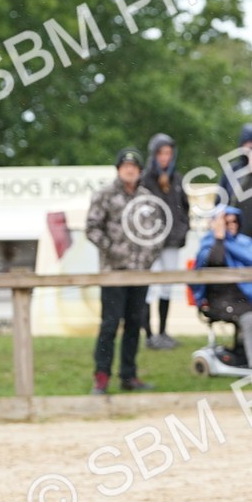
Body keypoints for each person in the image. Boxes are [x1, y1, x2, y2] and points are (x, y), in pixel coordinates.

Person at [86, 148, 165, 395]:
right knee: (110, 325)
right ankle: (101, 376)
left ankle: (128, 375)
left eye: (134, 166)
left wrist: (148, 258)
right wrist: (114, 251)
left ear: (140, 171)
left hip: (140, 273)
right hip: (113, 272)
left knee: (135, 323)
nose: (129, 170)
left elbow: (157, 232)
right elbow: (92, 228)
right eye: (125, 166)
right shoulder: (105, 195)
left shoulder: (146, 198)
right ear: (118, 169)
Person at [192, 206, 252, 383]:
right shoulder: (209, 243)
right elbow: (214, 261)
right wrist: (219, 237)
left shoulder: (244, 242)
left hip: (246, 295)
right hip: (220, 299)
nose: (232, 225)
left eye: (234, 221)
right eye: (226, 222)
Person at [140, 133, 190, 350]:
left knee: (167, 287)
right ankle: (149, 334)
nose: (165, 157)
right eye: (161, 153)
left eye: (168, 153)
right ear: (154, 154)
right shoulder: (145, 181)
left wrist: (182, 230)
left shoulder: (176, 179)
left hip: (172, 243)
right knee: (150, 288)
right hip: (150, 245)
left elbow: (184, 208)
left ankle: (162, 332)